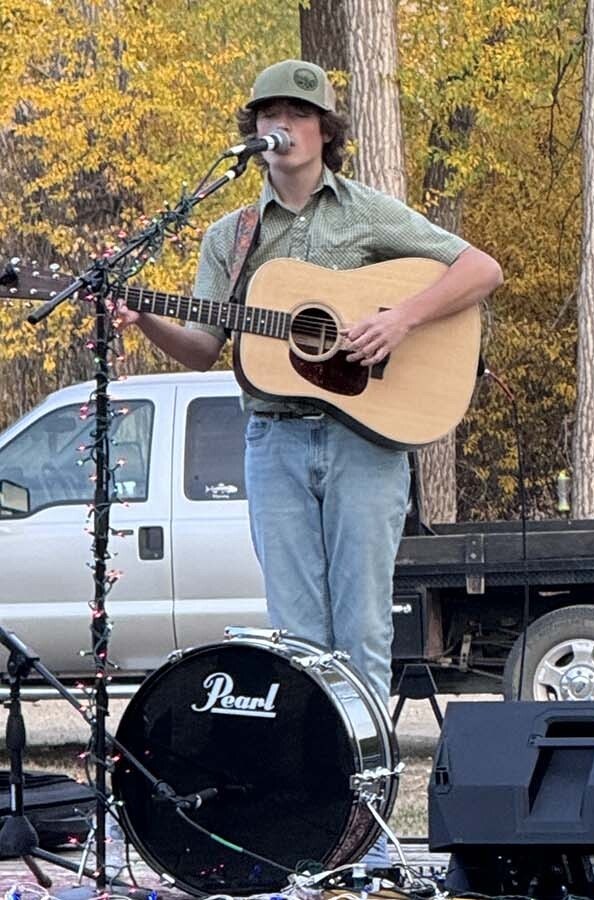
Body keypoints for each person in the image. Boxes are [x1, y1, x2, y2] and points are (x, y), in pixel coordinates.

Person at [115, 59, 502, 864]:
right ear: (253, 131)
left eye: (296, 112)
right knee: (298, 645)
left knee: (359, 635)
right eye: (267, 112)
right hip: (275, 443)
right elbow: (202, 347)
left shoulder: (366, 213)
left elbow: (479, 269)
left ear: (325, 129)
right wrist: (144, 316)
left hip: (365, 443)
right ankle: (316, 829)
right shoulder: (232, 236)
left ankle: (371, 837)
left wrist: (398, 319)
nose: (278, 124)